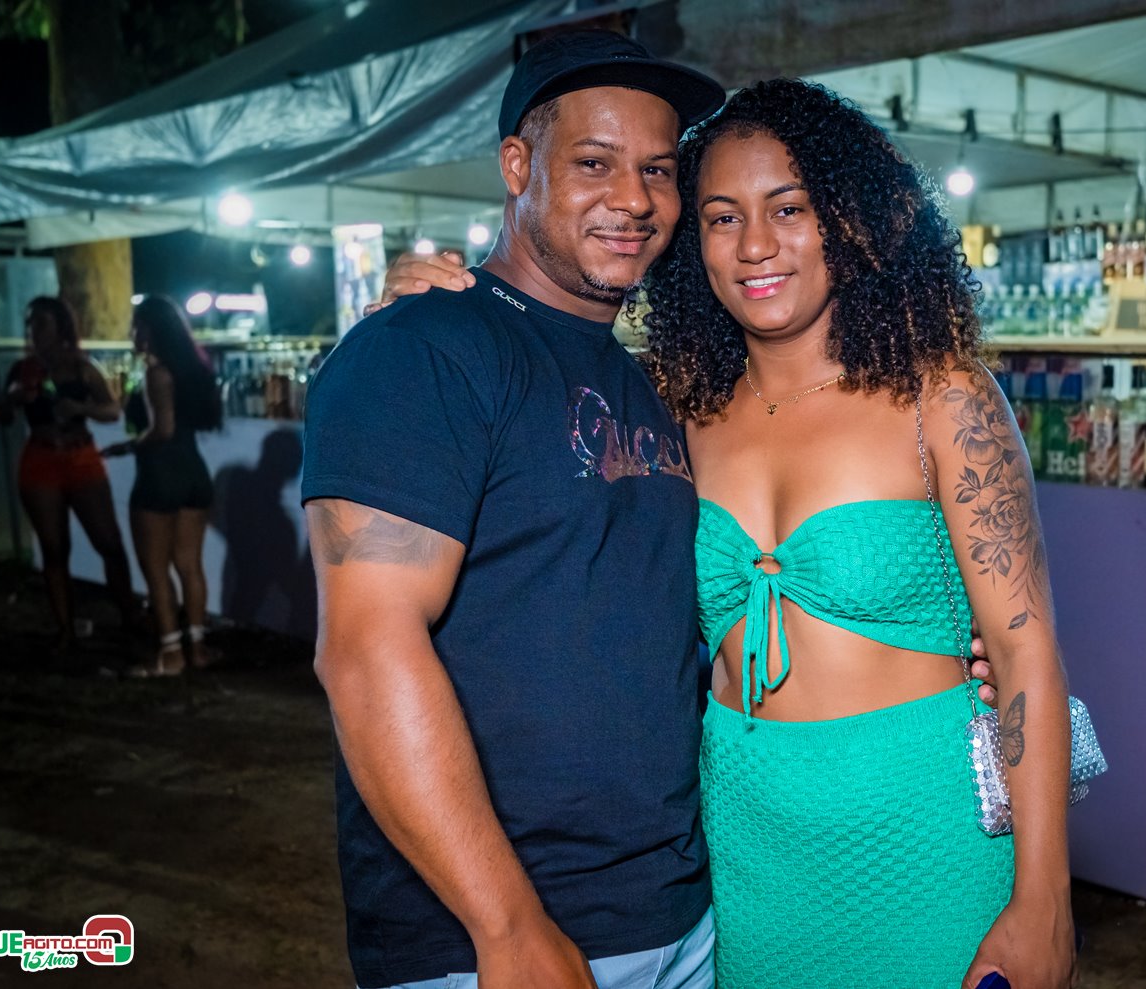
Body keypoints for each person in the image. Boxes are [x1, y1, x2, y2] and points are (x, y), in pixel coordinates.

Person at [379, 76, 1066, 989]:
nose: (755, 246)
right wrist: (430, 300)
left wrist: (1045, 897)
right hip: (746, 842)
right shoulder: (673, 411)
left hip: (925, 824)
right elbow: (527, 381)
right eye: (720, 217)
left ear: (848, 219)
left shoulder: (942, 397)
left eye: (789, 208)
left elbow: (1025, 654)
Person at [301, 31, 728, 989]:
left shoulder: (648, 384)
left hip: (676, 917)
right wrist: (507, 924)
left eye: (658, 170)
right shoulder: (422, 349)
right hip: (490, 938)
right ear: (516, 166)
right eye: (595, 163)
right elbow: (365, 650)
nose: (634, 199)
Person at [0, 296, 140, 655]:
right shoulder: (22, 370)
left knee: (109, 543)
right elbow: (3, 418)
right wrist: (13, 399)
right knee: (54, 549)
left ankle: (130, 617)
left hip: (80, 457)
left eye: (42, 324)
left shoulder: (82, 367)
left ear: (61, 327)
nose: (35, 332)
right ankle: (65, 631)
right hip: (41, 458)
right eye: (31, 325)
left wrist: (81, 407)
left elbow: (112, 410)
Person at [101, 296, 223, 675]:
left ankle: (170, 653)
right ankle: (197, 647)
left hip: (159, 474)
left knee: (155, 569)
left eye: (137, 326)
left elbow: (162, 429)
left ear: (151, 330)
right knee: (190, 564)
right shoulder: (192, 369)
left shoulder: (157, 373)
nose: (132, 334)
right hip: (193, 472)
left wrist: (126, 446)